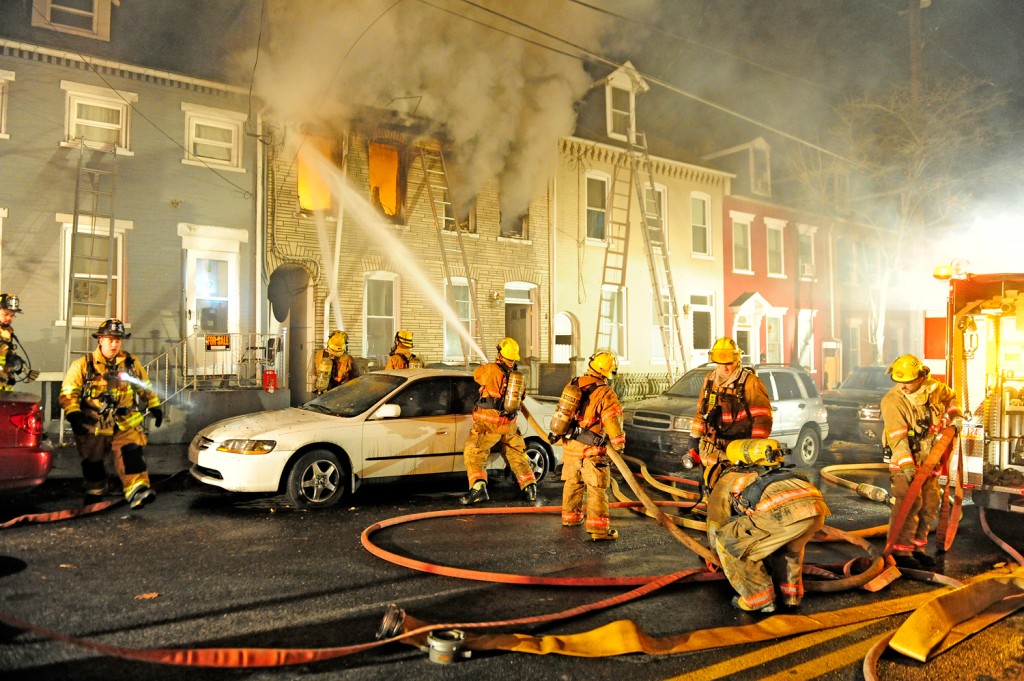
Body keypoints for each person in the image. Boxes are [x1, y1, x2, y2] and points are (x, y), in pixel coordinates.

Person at [708, 439, 831, 613]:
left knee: (729, 543)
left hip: (783, 514)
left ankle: (759, 599)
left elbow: (716, 525)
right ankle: (791, 597)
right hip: (816, 510)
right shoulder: (767, 471)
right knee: (789, 549)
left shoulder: (726, 479)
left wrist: (715, 552)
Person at [59, 318, 163, 508]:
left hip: (125, 422)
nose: (114, 344)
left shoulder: (130, 363)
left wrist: (154, 405)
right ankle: (95, 492)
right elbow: (68, 393)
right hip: (94, 424)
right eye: (110, 340)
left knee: (131, 453)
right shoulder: (83, 365)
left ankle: (137, 491)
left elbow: (144, 386)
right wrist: (74, 415)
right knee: (94, 462)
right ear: (100, 339)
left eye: (118, 340)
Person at [880, 354, 963, 569]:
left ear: (920, 378)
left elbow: (951, 398)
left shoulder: (933, 388)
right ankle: (901, 553)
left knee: (929, 504)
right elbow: (898, 440)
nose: (903, 386)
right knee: (909, 504)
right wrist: (908, 467)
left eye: (907, 382)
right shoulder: (893, 400)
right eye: (898, 381)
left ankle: (918, 549)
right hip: (905, 460)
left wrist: (956, 416)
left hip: (930, 459)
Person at [686, 337, 773, 493]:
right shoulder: (710, 381)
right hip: (710, 456)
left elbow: (762, 419)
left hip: (737, 456)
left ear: (737, 359)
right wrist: (694, 440)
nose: (725, 368)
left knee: (734, 497)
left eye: (729, 363)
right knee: (709, 494)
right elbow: (701, 412)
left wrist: (753, 449)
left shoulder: (750, 383)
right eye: (721, 363)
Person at [556, 350, 625, 541]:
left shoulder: (573, 383)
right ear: (606, 372)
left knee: (573, 482)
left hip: (571, 446)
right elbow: (611, 421)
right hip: (591, 450)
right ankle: (599, 530)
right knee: (596, 487)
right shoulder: (605, 392)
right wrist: (618, 445)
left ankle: (570, 518)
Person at [460, 337, 537, 505]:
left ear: (500, 353)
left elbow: (477, 375)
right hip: (509, 425)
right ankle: (530, 488)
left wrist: (491, 365)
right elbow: (522, 397)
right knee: (516, 455)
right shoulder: (518, 376)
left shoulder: (491, 369)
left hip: (489, 425)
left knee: (474, 452)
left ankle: (478, 489)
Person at [0, 293, 37, 390]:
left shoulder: (7, 331)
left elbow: (3, 356)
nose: (9, 318)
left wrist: (14, 363)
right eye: (5, 314)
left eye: (12, 315)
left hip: (5, 385)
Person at [312, 330, 359, 394]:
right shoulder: (320, 354)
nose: (333, 356)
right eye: (332, 352)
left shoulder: (348, 360)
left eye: (335, 354)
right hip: (333, 393)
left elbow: (356, 379)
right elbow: (357, 379)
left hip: (335, 393)